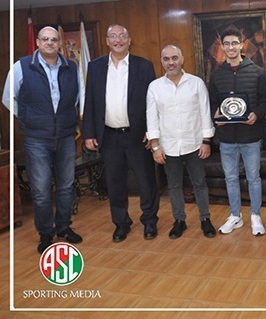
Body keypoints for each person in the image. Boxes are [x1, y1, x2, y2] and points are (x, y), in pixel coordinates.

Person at [2, 26, 83, 253]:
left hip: (65, 136)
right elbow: (8, 98)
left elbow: (77, 96)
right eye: (45, 39)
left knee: (66, 186)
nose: (49, 43)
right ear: (37, 42)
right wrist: (28, 118)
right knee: (40, 189)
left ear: (59, 43)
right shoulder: (21, 67)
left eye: (54, 39)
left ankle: (64, 227)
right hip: (36, 138)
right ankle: (46, 233)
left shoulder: (71, 67)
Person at [82, 24, 159, 243]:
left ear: (129, 40)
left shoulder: (143, 66)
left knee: (146, 181)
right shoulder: (95, 67)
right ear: (107, 41)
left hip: (138, 135)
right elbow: (90, 101)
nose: (118, 40)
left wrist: (151, 131)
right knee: (114, 183)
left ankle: (150, 220)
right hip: (109, 136)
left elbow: (152, 101)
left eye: (122, 36)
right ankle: (121, 223)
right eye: (113, 36)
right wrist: (89, 133)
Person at [146, 45, 216, 239]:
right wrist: (155, 147)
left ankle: (205, 219)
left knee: (199, 183)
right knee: (174, 185)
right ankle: (179, 220)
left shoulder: (196, 83)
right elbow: (151, 118)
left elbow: (205, 113)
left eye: (174, 58)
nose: (171, 62)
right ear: (162, 62)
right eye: (166, 59)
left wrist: (206, 141)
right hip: (168, 146)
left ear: (182, 59)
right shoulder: (155, 87)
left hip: (194, 144)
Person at [208, 27, 266, 236]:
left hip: (251, 137)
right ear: (222, 46)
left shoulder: (257, 72)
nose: (231, 47)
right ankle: (235, 216)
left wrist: (256, 115)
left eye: (234, 43)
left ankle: (255, 216)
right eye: (226, 44)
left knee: (253, 178)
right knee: (230, 178)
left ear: (241, 45)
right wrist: (216, 115)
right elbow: (212, 102)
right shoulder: (217, 75)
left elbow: (265, 101)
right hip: (226, 138)